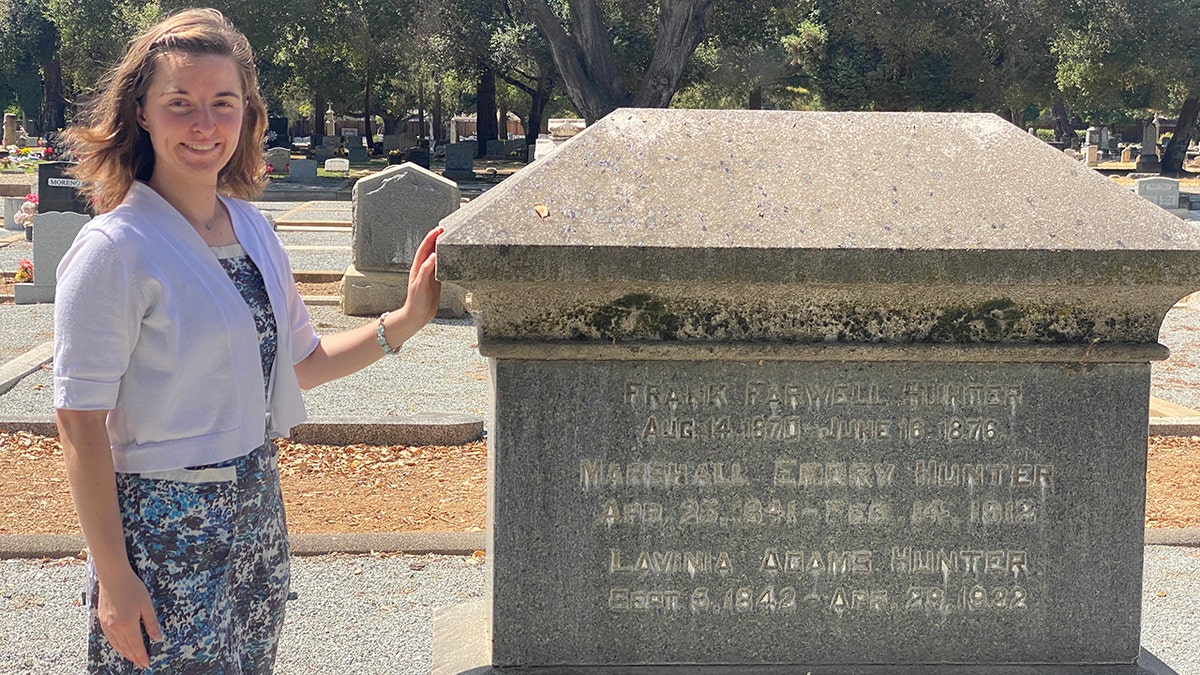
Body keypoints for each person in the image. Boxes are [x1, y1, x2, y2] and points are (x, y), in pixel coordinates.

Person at [54, 8, 441, 672]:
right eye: (180, 104)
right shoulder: (114, 249)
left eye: (222, 103)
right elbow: (79, 422)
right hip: (162, 531)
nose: (204, 124)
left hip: (255, 516)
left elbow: (299, 363)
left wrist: (403, 320)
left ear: (246, 112)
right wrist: (115, 578)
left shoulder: (252, 229)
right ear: (142, 112)